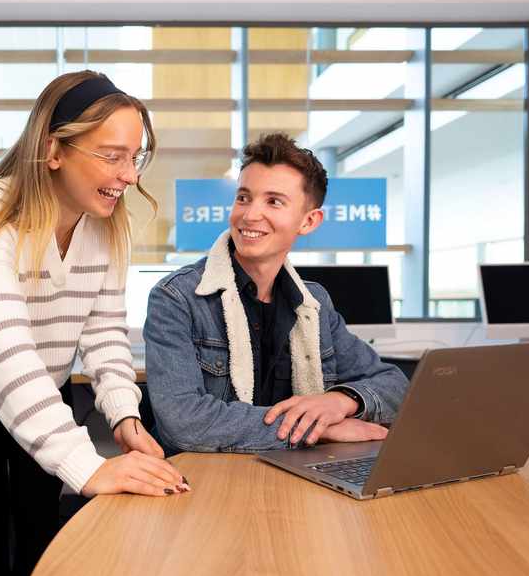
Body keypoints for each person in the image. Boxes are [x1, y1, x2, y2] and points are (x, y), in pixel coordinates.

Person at [0, 71, 188, 576]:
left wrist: (123, 413)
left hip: (47, 377)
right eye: (112, 156)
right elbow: (6, 351)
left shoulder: (108, 223)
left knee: (41, 524)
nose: (129, 176)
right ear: (54, 150)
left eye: (134, 157)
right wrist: (87, 466)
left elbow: (104, 332)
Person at [144, 132, 409, 456]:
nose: (250, 215)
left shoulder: (314, 303)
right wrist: (317, 430)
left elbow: (395, 385)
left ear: (308, 221)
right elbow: (183, 422)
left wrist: (340, 401)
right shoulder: (177, 297)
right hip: (203, 476)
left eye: (274, 201)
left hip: (292, 472)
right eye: (244, 198)